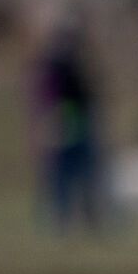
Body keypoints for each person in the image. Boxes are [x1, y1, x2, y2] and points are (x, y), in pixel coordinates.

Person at [30, 19, 105, 232]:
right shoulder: (56, 66)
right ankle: (64, 218)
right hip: (64, 122)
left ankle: (83, 217)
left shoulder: (72, 65)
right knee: (66, 173)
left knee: (79, 172)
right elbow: (47, 98)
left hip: (75, 121)